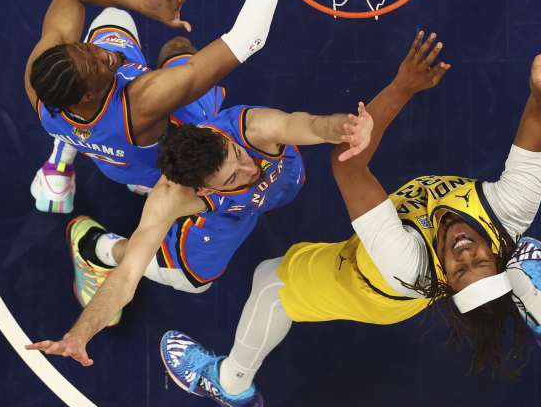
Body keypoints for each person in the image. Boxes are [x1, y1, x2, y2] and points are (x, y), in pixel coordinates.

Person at [156, 31, 541, 407]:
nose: (466, 254)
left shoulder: (403, 263)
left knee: (270, 281)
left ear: (447, 280)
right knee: (520, 247)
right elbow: (540, 123)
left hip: (365, 280)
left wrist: (402, 87)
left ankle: (232, 384)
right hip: (458, 251)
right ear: (497, 250)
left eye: (458, 271)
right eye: (481, 262)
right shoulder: (510, 212)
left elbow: (349, 164)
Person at [24, 0, 302, 213]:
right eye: (96, 62)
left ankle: (62, 154)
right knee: (178, 49)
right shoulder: (144, 102)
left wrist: (154, 6)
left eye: (85, 48)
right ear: (90, 92)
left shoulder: (41, 82)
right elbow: (248, 38)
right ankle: (133, 189)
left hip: (110, 160)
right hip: (149, 167)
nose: (102, 52)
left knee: (113, 18)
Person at [26, 96, 375, 345]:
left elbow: (310, 124)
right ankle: (94, 247)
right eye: (232, 178)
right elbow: (127, 278)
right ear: (199, 188)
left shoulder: (253, 129)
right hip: (226, 215)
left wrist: (346, 128)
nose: (249, 169)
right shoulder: (174, 197)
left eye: (237, 157)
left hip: (281, 183)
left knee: (183, 62)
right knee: (192, 280)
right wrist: (80, 333)